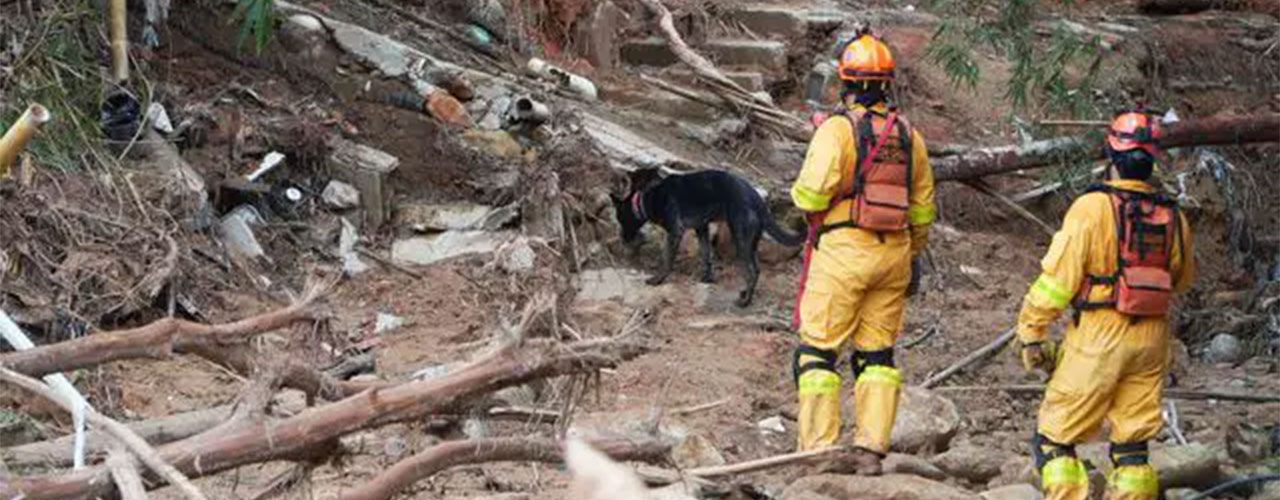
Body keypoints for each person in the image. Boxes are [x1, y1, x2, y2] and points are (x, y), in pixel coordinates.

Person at [1015, 109, 1195, 500]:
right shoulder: (1172, 214)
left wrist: (1032, 331)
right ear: (1152, 160)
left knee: (1055, 440)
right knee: (1133, 448)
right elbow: (1181, 279)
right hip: (1151, 339)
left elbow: (1057, 283)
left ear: (1111, 153)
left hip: (1099, 335)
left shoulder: (1092, 208)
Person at [788, 28, 936, 475]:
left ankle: (820, 451)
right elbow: (923, 209)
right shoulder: (910, 135)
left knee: (817, 353)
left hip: (843, 254)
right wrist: (910, 253)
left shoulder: (837, 130)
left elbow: (810, 197)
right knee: (877, 357)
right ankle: (871, 450)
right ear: (887, 84)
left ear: (846, 82)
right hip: (894, 254)